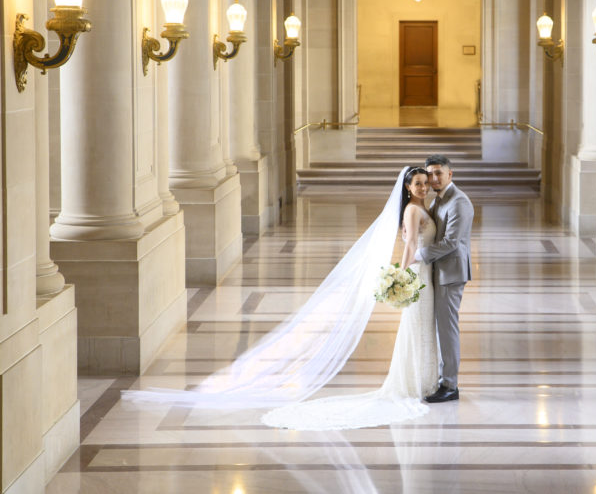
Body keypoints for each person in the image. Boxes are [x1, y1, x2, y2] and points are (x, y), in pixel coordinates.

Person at [123, 166, 441, 431]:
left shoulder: (419, 207)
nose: (424, 188)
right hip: (416, 273)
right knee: (417, 327)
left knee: (419, 327)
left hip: (420, 273)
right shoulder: (413, 210)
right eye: (418, 184)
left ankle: (419, 381)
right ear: (407, 187)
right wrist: (402, 275)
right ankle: (416, 384)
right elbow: (410, 245)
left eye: (426, 183)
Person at [415, 154, 474, 403]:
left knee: (447, 331)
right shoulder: (439, 200)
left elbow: (451, 242)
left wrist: (418, 254)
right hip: (439, 271)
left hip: (450, 274)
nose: (434, 178)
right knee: (440, 329)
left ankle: (450, 385)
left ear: (451, 174)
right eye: (430, 174)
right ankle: (441, 378)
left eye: (439, 173)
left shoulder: (458, 202)